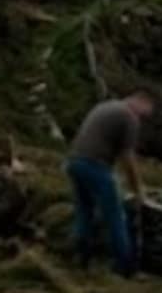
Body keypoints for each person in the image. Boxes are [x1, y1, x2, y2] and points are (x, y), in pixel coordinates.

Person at [64, 90, 155, 276]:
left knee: (84, 212)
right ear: (141, 102)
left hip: (74, 162)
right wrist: (138, 191)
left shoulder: (106, 106)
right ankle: (125, 268)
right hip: (94, 166)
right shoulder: (129, 117)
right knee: (116, 216)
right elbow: (128, 158)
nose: (144, 117)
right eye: (146, 112)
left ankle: (80, 259)